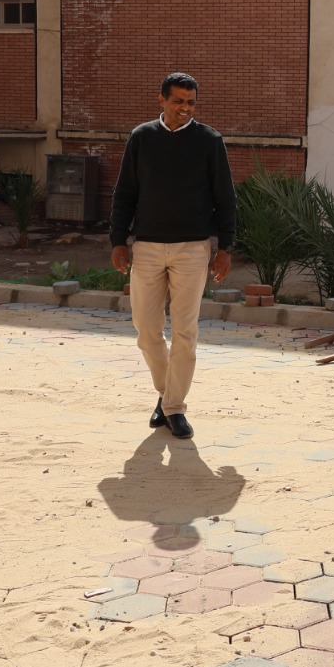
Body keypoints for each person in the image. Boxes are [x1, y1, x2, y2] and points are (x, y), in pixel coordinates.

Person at [110, 72, 236, 442]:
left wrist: (225, 247)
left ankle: (174, 407)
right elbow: (125, 192)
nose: (185, 108)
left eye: (191, 102)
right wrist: (118, 240)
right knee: (147, 331)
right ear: (162, 100)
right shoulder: (142, 137)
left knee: (185, 332)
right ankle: (167, 395)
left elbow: (225, 197)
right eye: (178, 100)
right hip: (147, 247)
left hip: (192, 249)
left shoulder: (209, 141)